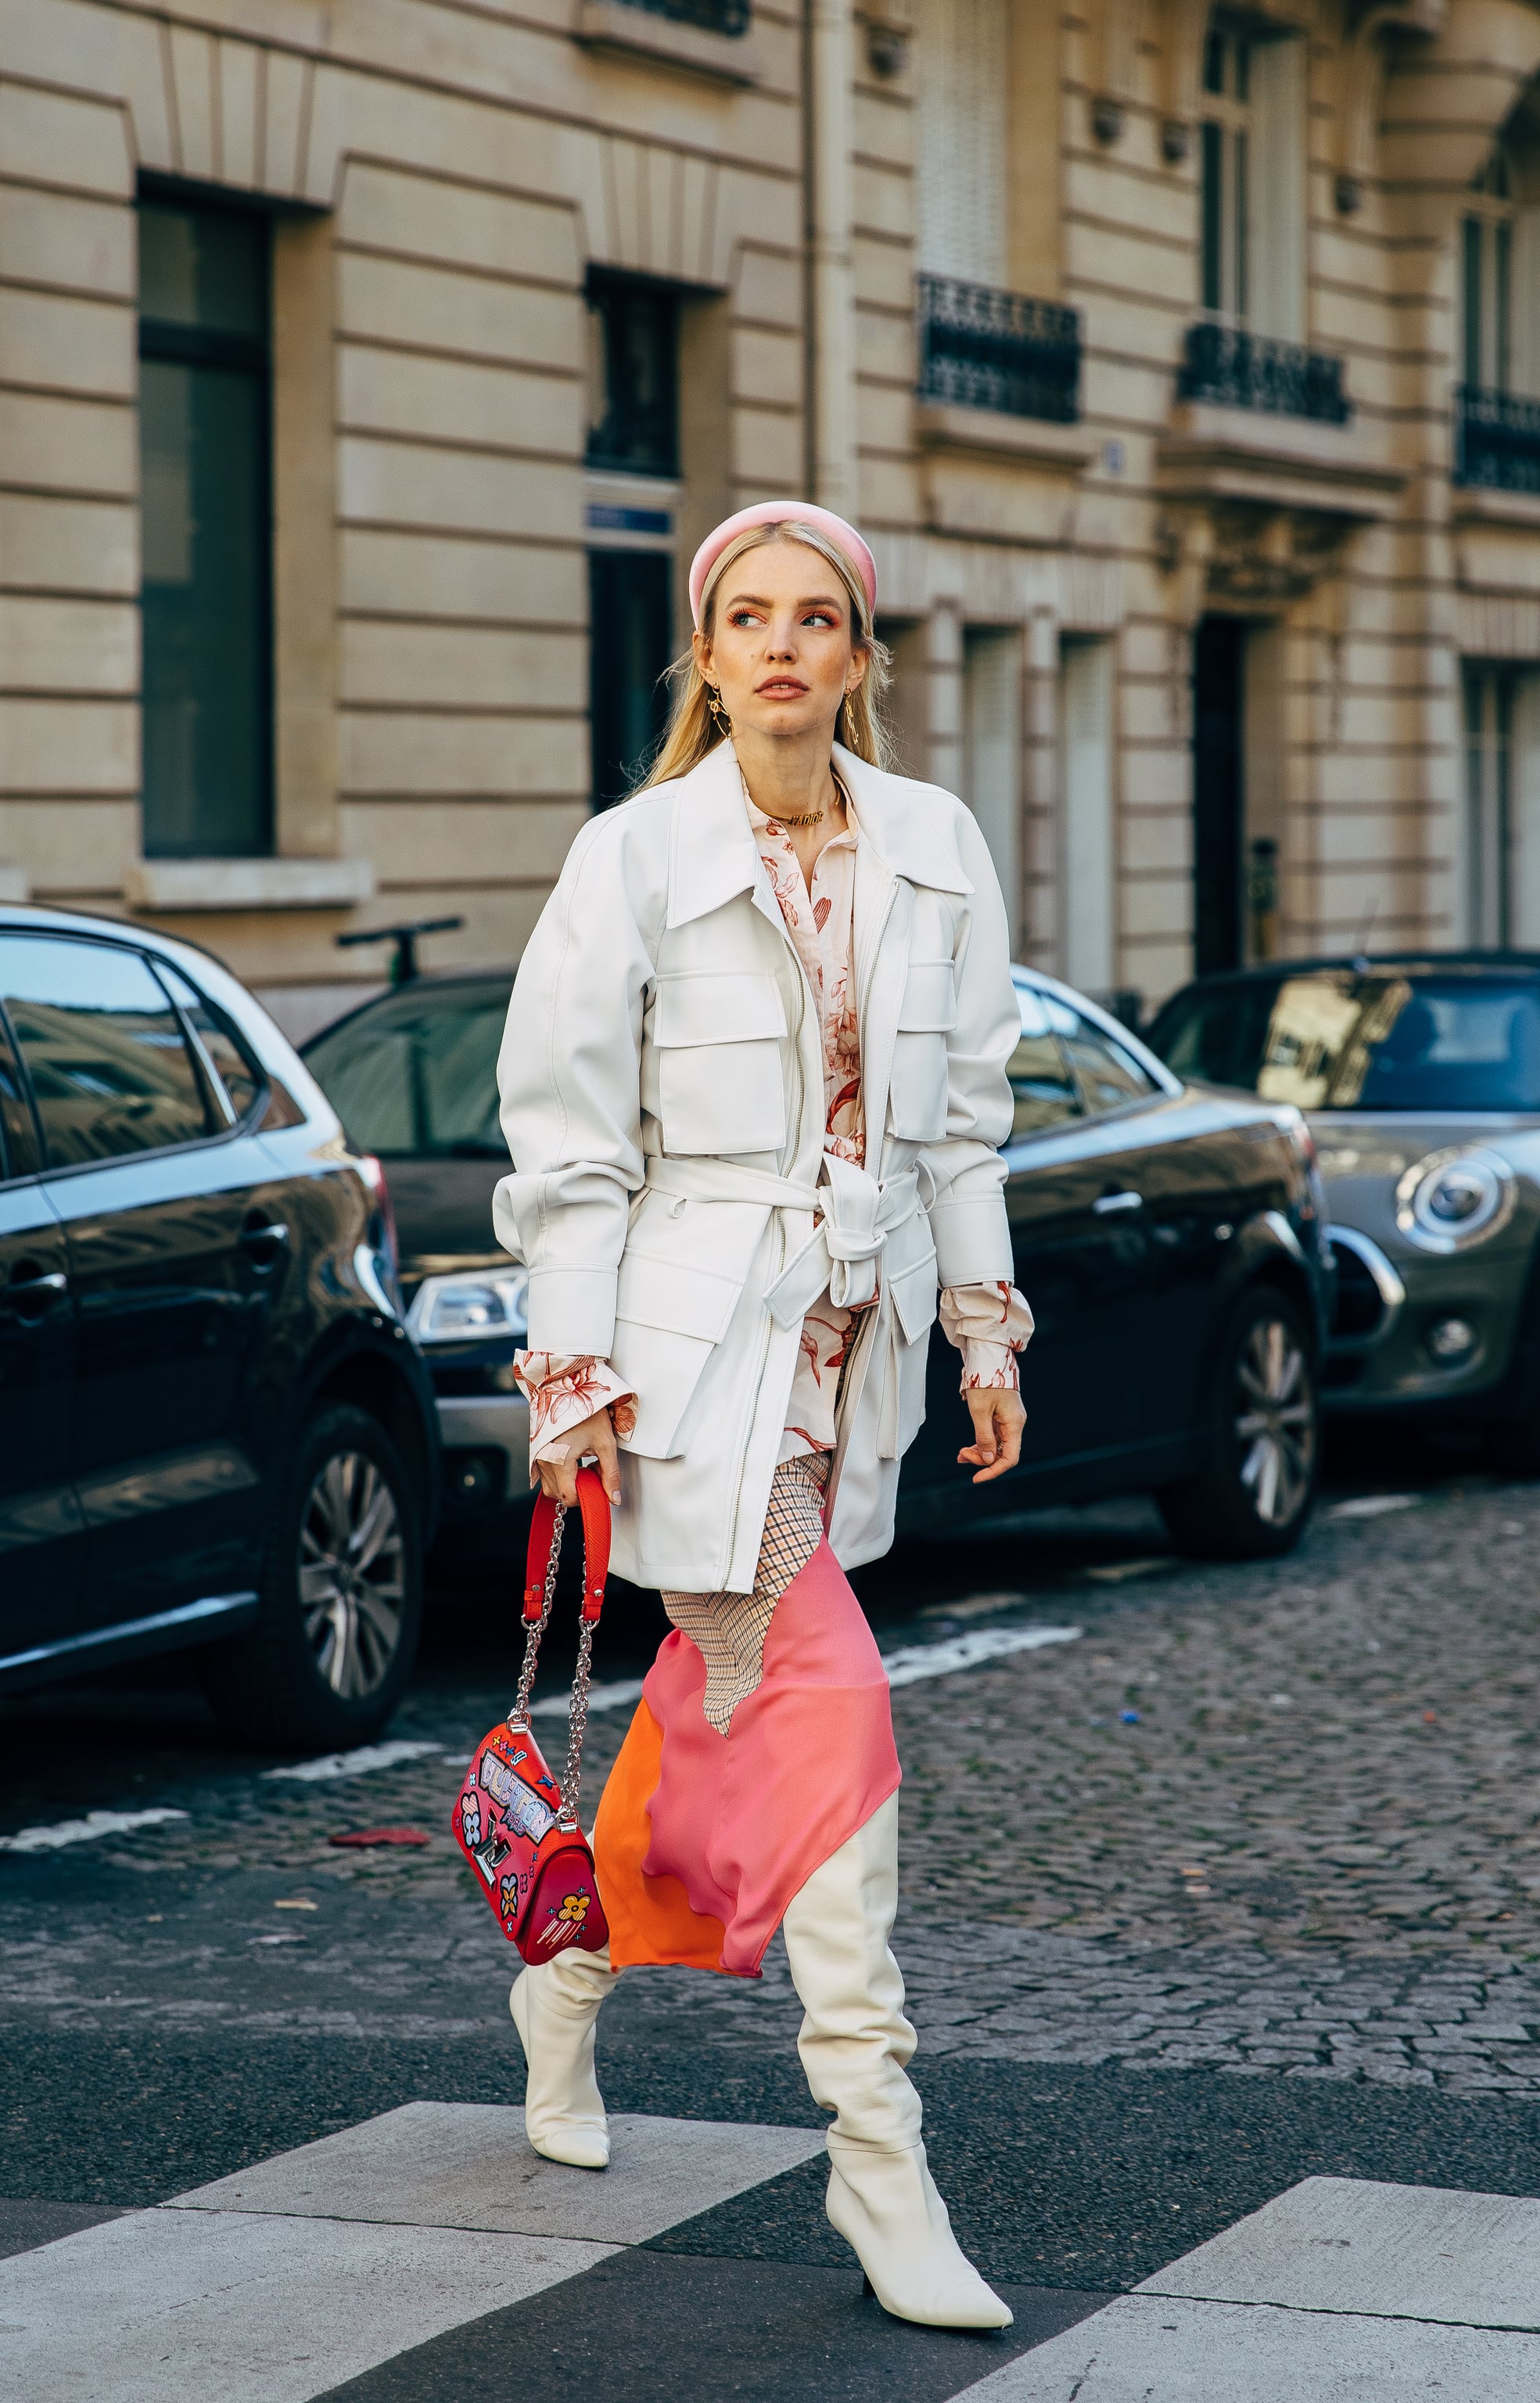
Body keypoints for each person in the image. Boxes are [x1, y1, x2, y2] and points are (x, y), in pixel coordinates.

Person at [493, 499, 1032, 2331]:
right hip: (686, 1365)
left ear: (860, 659)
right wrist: (571, 1385)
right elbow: (568, 1150)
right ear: (706, 658)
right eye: (748, 619)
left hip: (850, 1362)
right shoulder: (630, 857)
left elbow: (959, 1122)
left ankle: (562, 1989)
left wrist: (986, 1332)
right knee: (830, 1707)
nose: (784, 645)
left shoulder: (938, 848)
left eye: (819, 618)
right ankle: (878, 2163)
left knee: (723, 1730)